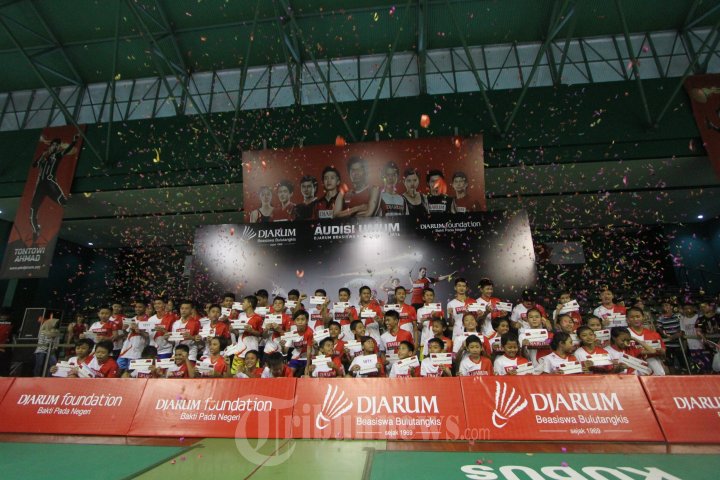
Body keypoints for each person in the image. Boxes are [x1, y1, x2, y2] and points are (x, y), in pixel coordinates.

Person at [29, 134, 79, 243]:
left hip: (50, 183)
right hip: (40, 185)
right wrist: (42, 155)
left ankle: (75, 216)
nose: (54, 147)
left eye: (57, 145)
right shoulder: (44, 157)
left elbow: (67, 150)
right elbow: (34, 165)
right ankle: (36, 230)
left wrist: (74, 141)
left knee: (63, 202)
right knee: (33, 209)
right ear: (50, 145)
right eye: (53, 145)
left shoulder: (57, 155)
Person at [627, 306, 666, 375]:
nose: (635, 319)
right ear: (627, 319)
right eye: (632, 317)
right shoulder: (624, 334)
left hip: (654, 368)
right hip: (633, 368)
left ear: (643, 317)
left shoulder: (654, 335)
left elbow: (663, 353)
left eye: (638, 316)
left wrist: (661, 351)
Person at [280, 310, 314, 376]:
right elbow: (285, 352)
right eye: (298, 319)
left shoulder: (310, 332)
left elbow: (309, 351)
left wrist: (307, 366)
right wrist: (282, 346)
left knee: (307, 374)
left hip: (308, 358)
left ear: (307, 321)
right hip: (296, 357)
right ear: (294, 321)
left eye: (302, 319)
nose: (300, 322)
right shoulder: (292, 333)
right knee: (289, 374)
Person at [655, 300, 684, 372]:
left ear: (671, 307)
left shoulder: (678, 316)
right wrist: (666, 335)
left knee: (683, 362)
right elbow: (659, 329)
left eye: (667, 305)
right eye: (663, 306)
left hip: (679, 344)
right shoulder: (660, 318)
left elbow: (682, 328)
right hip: (668, 345)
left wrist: (678, 334)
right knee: (670, 363)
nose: (665, 307)